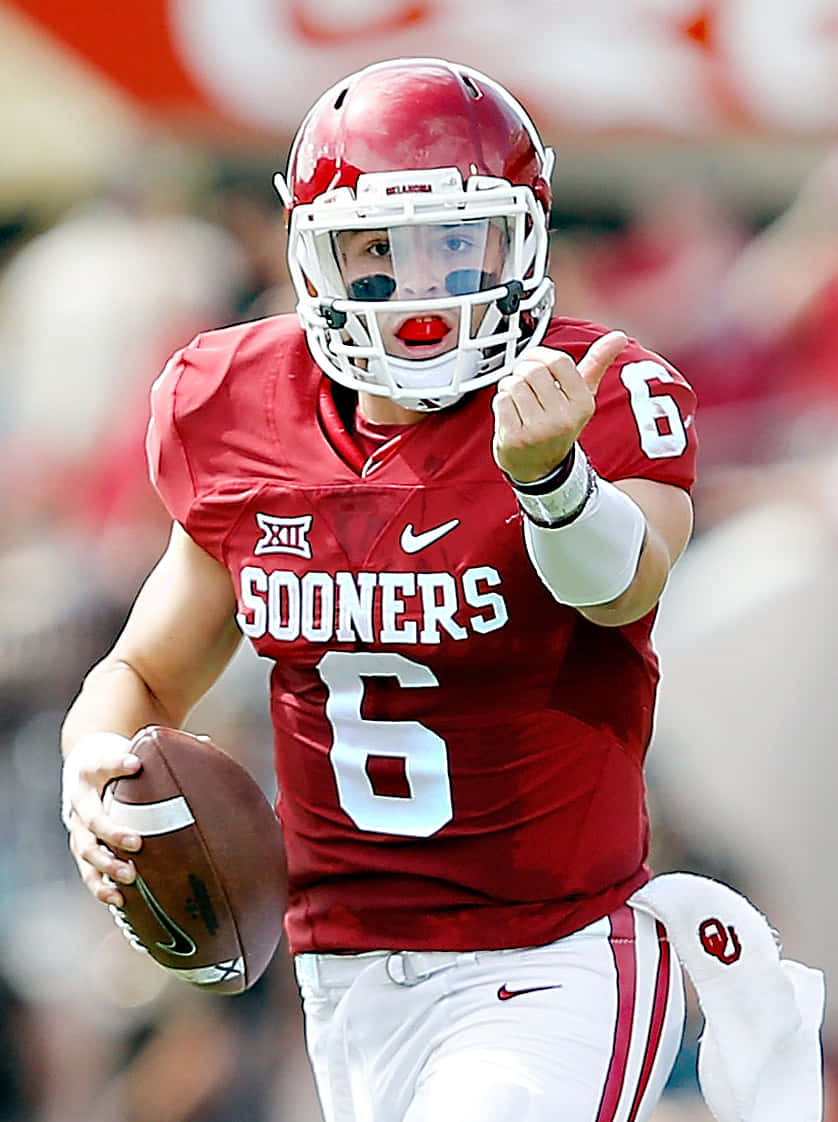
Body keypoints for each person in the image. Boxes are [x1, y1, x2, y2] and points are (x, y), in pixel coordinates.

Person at [60, 58, 702, 1121]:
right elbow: (143, 671)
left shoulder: (596, 392)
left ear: (521, 240)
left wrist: (549, 476)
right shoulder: (235, 406)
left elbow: (622, 591)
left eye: (457, 242)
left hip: (554, 955)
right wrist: (93, 773)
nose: (419, 288)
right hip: (343, 971)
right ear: (313, 256)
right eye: (377, 250)